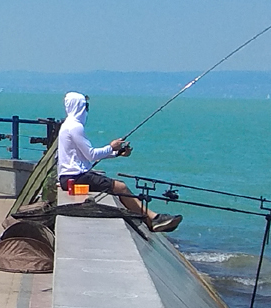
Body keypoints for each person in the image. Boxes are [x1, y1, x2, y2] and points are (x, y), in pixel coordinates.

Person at [57, 92, 181, 232]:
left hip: (70, 177)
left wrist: (116, 153)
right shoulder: (75, 127)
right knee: (120, 187)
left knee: (117, 185)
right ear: (79, 106)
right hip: (76, 177)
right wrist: (111, 146)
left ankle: (150, 219)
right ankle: (152, 219)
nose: (87, 110)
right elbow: (91, 155)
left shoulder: (67, 125)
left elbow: (83, 156)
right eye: (86, 106)